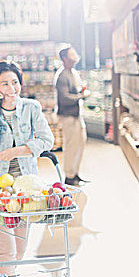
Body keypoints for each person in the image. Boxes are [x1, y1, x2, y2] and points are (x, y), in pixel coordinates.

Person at [0, 61, 54, 277]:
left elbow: (47, 139)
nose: (11, 89)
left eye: (15, 82)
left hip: (25, 187)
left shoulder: (31, 107)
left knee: (21, 248)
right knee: (7, 249)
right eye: (5, 84)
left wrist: (18, 151)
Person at [53, 47, 90, 186]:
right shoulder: (62, 75)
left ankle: (75, 173)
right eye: (72, 54)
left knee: (81, 142)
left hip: (76, 114)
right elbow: (64, 99)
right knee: (71, 145)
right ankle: (69, 176)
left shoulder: (73, 72)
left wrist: (81, 90)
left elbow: (74, 91)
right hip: (68, 116)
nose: (75, 56)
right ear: (65, 58)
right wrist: (81, 95)